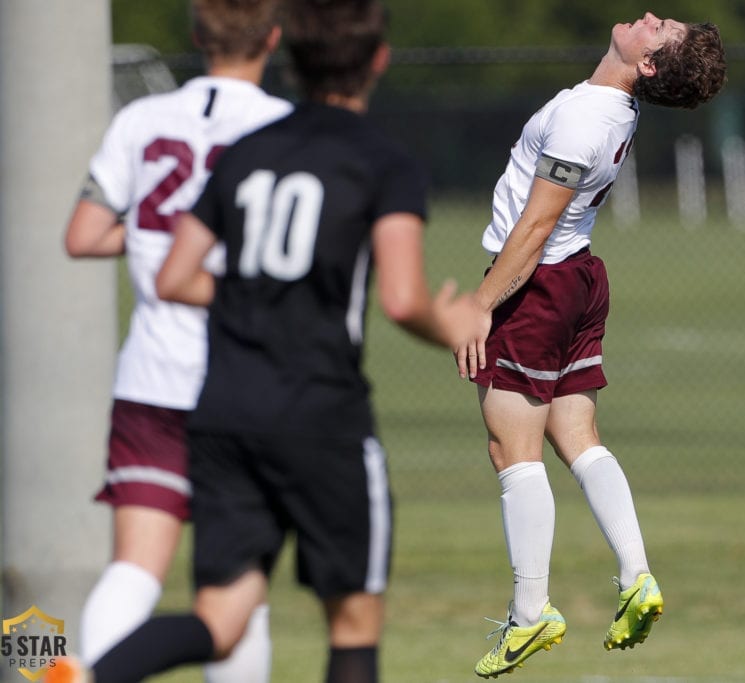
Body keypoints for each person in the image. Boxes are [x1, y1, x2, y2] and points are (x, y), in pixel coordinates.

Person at [46, 1, 479, 682]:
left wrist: (245, 291)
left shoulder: (240, 148)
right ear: (379, 59)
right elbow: (401, 297)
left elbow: (168, 272)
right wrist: (450, 324)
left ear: (293, 55)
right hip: (316, 408)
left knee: (212, 611)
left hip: (213, 403)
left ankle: (95, 672)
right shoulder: (373, 158)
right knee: (353, 624)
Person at [455, 12, 727, 678]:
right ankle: (635, 574)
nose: (652, 16)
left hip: (537, 284)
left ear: (650, 65)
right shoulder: (607, 107)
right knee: (575, 431)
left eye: (661, 30)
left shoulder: (586, 122)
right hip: (577, 277)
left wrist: (480, 303)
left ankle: (530, 613)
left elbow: (536, 226)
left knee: (508, 446)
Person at [62, 1, 293, 681]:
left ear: (197, 36)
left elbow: (82, 234)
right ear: (271, 38)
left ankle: (90, 673)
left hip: (150, 383)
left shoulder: (141, 120)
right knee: (237, 595)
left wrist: (146, 239)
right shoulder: (281, 127)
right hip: (243, 385)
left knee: (134, 570)